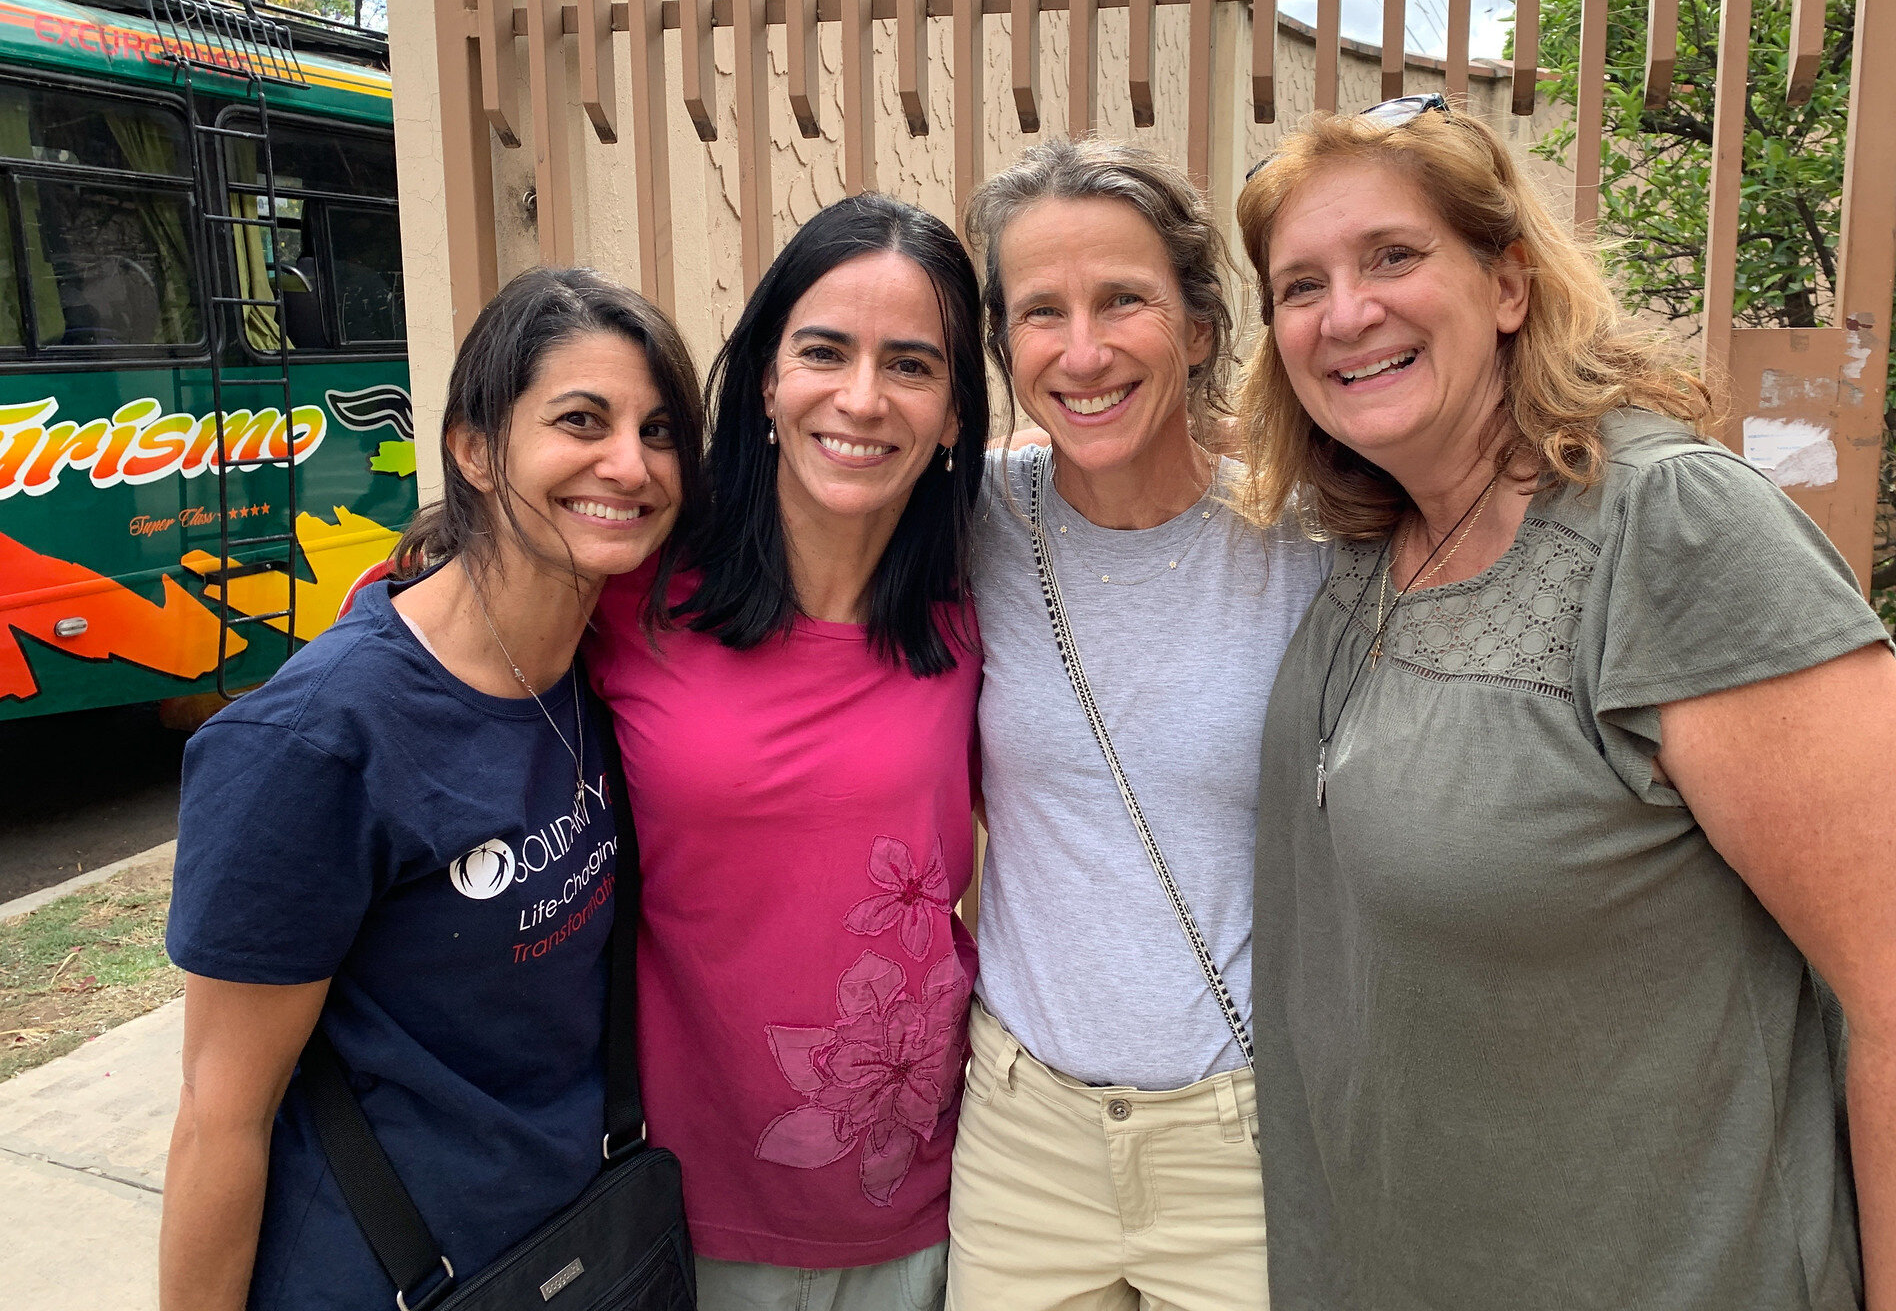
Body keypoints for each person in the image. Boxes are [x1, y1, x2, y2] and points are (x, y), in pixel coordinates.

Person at [1233, 101, 1896, 1309]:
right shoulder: (1368, 544)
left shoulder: (1668, 532)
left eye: (1392, 255)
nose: (1345, 313)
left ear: (1506, 284)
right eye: (1298, 284)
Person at [159, 267, 707, 1310]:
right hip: (387, 1275)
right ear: (472, 448)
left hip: (581, 1244)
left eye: (660, 430)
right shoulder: (314, 742)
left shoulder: (602, 663)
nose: (629, 465)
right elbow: (217, 1116)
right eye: (580, 420)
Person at [583, 194, 988, 1311]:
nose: (861, 398)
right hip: (682, 1200)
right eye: (823, 351)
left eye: (911, 366)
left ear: (955, 412)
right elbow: (424, 641)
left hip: (929, 1197)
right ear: (764, 377)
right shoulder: (635, 589)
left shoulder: (975, 594)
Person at [946, 138, 1327, 1311]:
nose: (1082, 350)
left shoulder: (1313, 542)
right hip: (1021, 1135)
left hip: (1240, 1142)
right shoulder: (963, 522)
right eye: (1038, 313)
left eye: (1123, 300)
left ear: (1201, 326)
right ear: (1002, 344)